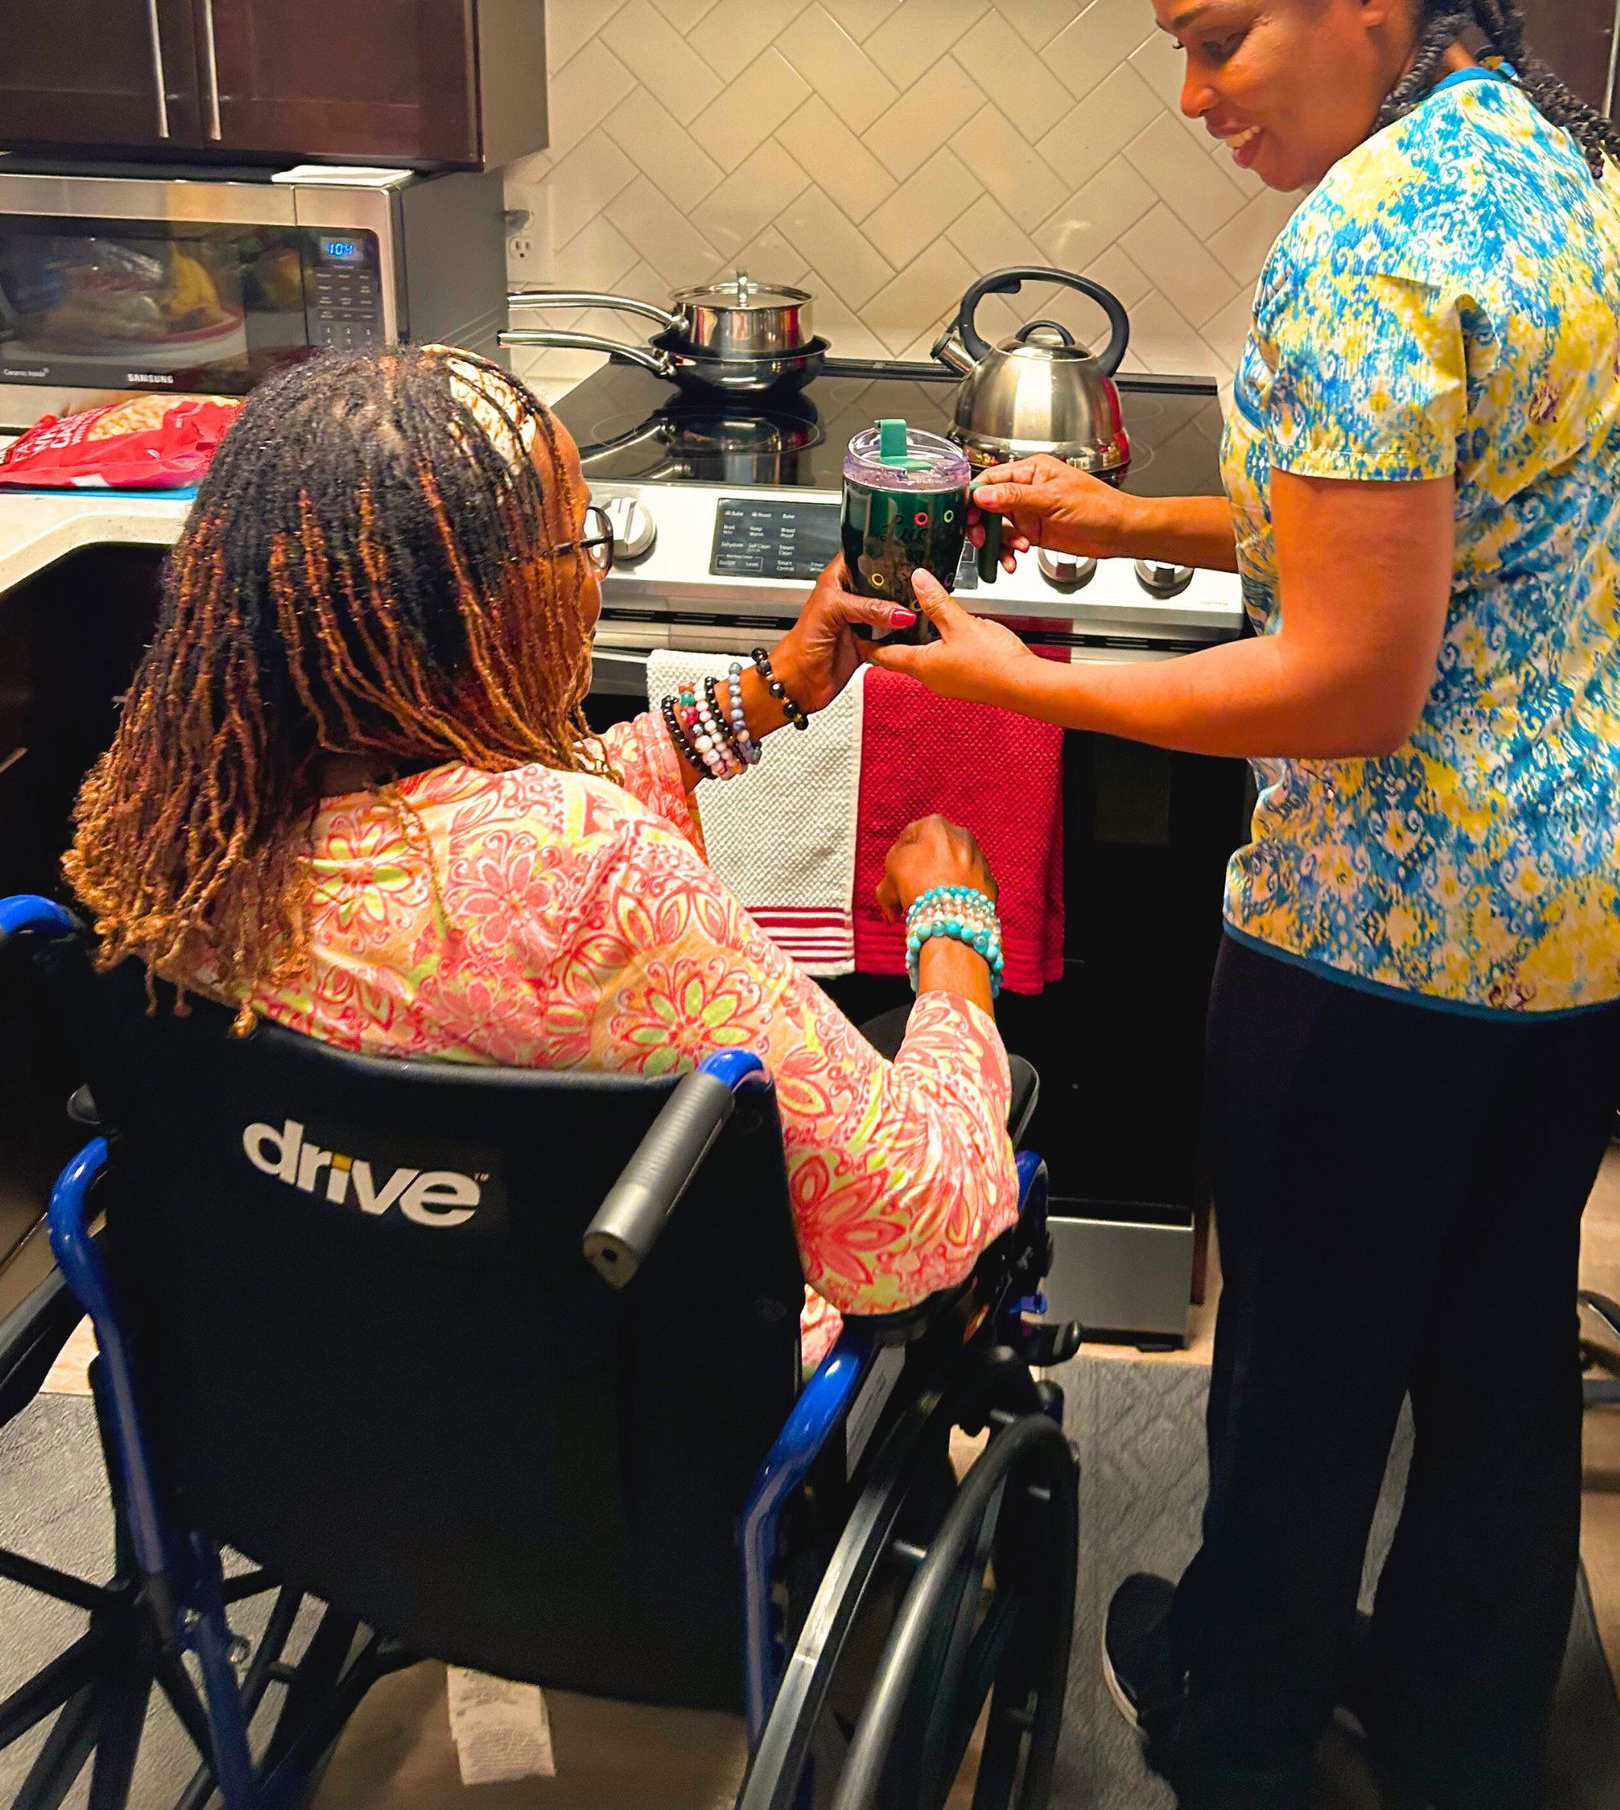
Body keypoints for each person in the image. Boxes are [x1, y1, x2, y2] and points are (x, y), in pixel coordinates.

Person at [865, 0, 1620, 1810]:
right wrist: (1136, 517)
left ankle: (1234, 1715)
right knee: (1497, 1334)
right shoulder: (1573, 165)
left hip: (1400, 919)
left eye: (1213, 36)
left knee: (1312, 1364)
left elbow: (1352, 677)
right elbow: (1449, 509)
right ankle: (1455, 1721)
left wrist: (1022, 675)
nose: (1192, 96)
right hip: (1602, 883)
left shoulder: (1354, 247)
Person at [66, 345, 1017, 1374]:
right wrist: (952, 932)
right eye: (581, 545)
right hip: (623, 1480)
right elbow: (925, 1219)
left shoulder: (180, 820)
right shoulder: (598, 879)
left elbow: (458, 828)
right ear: (485, 604)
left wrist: (769, 689)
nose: (596, 576)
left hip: (298, 1425)